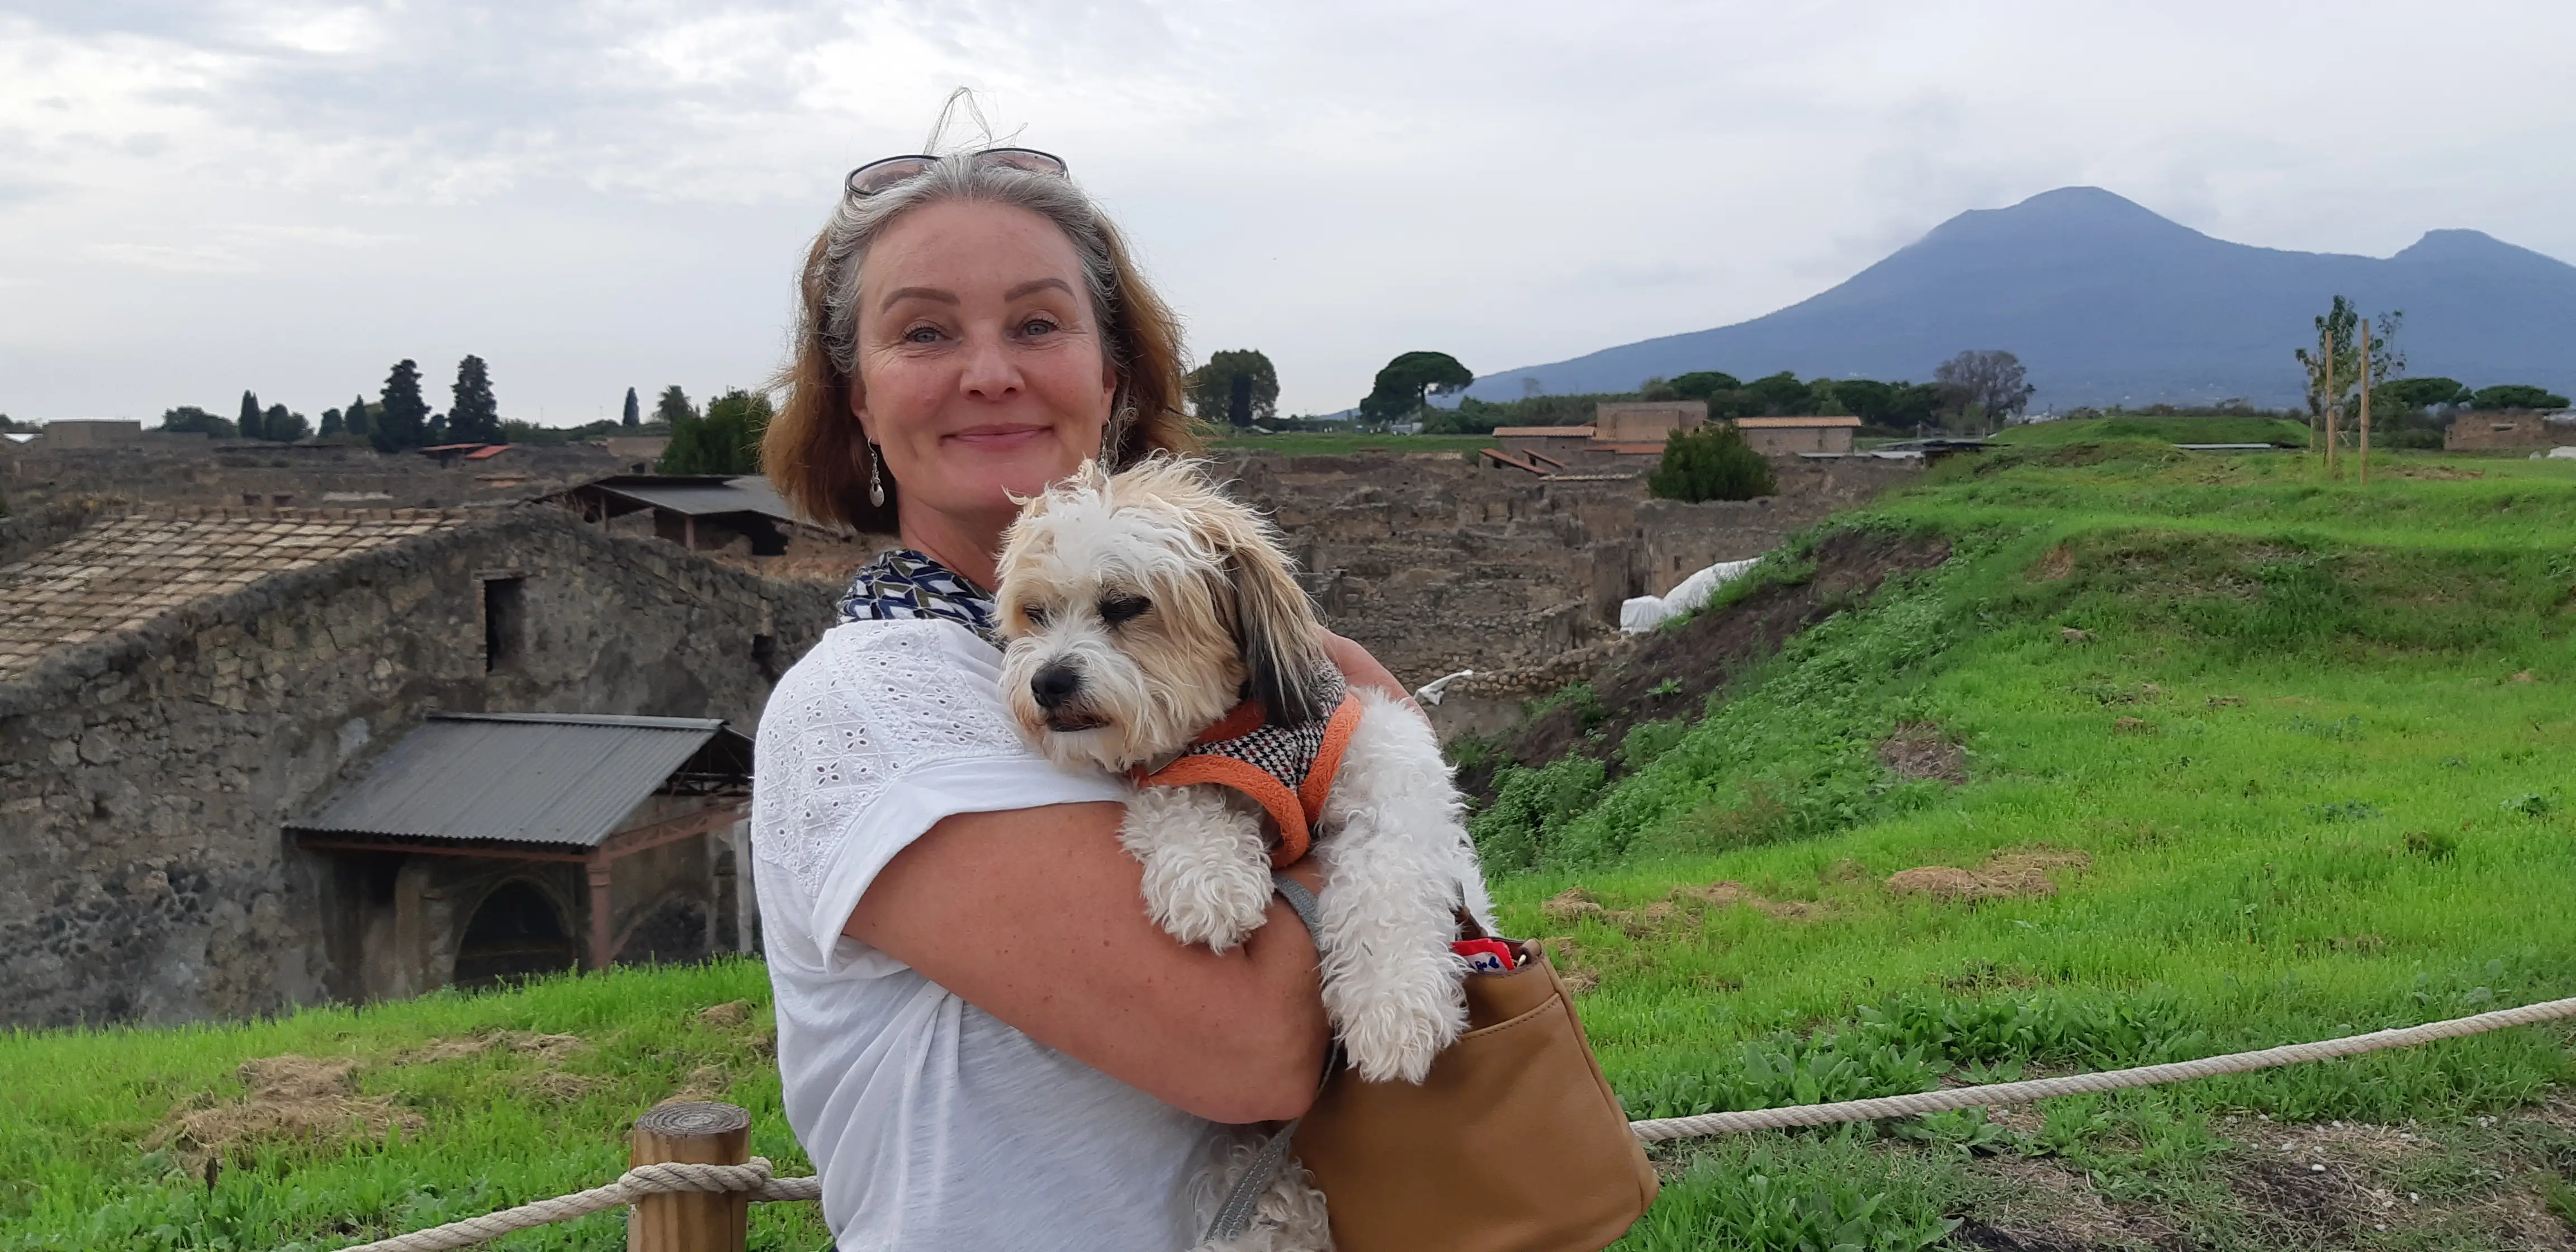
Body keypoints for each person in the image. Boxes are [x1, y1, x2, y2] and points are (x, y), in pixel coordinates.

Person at [754, 146, 1414, 1250]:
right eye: (924, 332)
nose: (989, 372)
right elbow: (1247, 1049)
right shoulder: (878, 700)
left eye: (1037, 324)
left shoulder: (1205, 658)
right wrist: (1377, 763)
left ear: (1111, 378)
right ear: (859, 401)